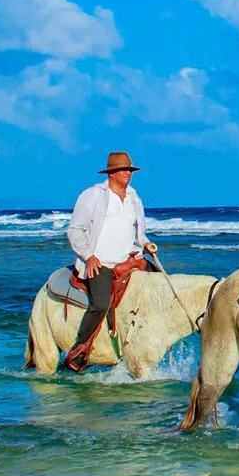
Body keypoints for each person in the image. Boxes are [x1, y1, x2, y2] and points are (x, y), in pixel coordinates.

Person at [61, 151, 158, 371]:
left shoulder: (134, 198)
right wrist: (89, 256)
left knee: (161, 287)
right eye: (122, 170)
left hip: (129, 260)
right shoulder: (93, 195)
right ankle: (80, 348)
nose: (127, 174)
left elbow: (139, 233)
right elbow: (75, 230)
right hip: (102, 262)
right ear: (111, 173)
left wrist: (146, 244)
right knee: (101, 303)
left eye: (129, 170)